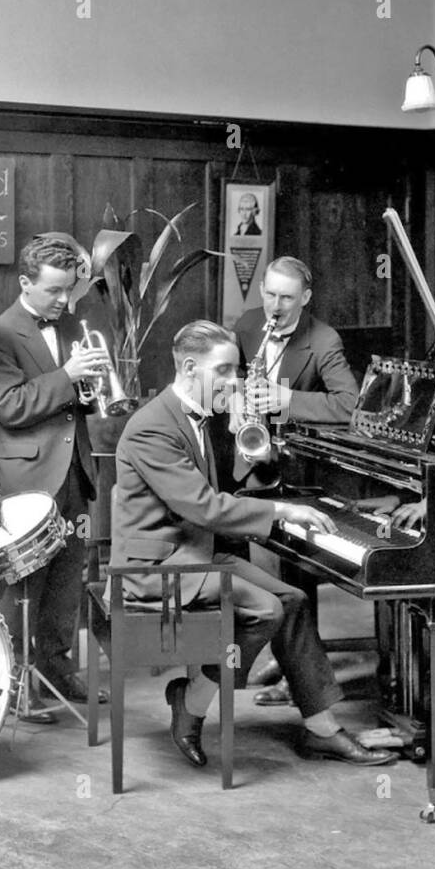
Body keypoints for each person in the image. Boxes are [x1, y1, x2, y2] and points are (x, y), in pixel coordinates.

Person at [111, 320, 397, 768]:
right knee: (267, 609)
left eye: (236, 371)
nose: (234, 382)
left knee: (294, 599)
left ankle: (321, 728)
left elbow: (238, 487)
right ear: (189, 368)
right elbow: (206, 507)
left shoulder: (203, 415)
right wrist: (284, 513)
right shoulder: (152, 426)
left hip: (194, 553)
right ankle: (193, 701)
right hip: (155, 568)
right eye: (223, 371)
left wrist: (254, 450)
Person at [0, 234, 112, 710]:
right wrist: (69, 377)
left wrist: (90, 389)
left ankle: (58, 670)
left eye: (67, 290)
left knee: (66, 580)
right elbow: (10, 407)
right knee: (22, 587)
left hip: (74, 468)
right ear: (24, 283)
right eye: (53, 291)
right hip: (27, 479)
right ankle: (14, 686)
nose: (62, 300)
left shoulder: (71, 323)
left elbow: (72, 401)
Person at [226, 256, 359, 704]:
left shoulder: (324, 340)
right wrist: (237, 403)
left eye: (286, 297)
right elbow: (231, 378)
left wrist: (286, 398)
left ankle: (298, 678)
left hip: (298, 477)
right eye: (269, 294)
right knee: (270, 583)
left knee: (295, 582)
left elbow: (349, 405)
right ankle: (286, 663)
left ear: (305, 298)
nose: (275, 307)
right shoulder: (248, 324)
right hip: (252, 469)